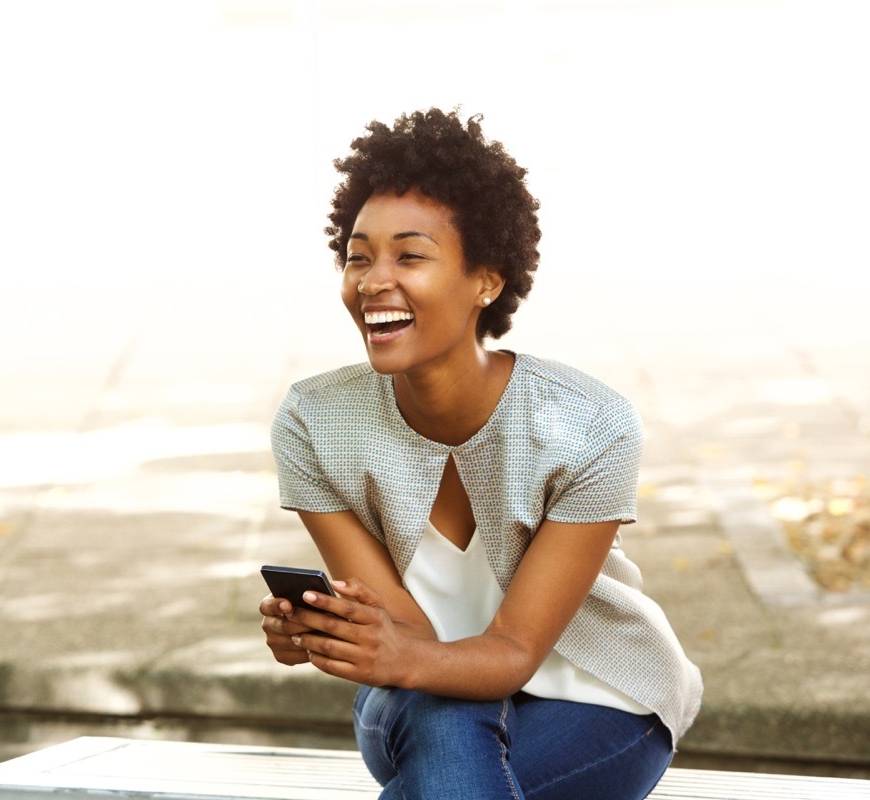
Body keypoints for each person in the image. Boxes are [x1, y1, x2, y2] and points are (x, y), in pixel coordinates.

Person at [259, 107, 702, 800]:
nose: (374, 280)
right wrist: (339, 634)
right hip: (412, 696)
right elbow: (402, 634)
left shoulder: (591, 426)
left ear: (486, 280)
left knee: (446, 756)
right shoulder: (315, 422)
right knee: (445, 713)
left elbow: (514, 653)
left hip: (596, 696)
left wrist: (396, 652)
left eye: (410, 255)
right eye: (358, 255)